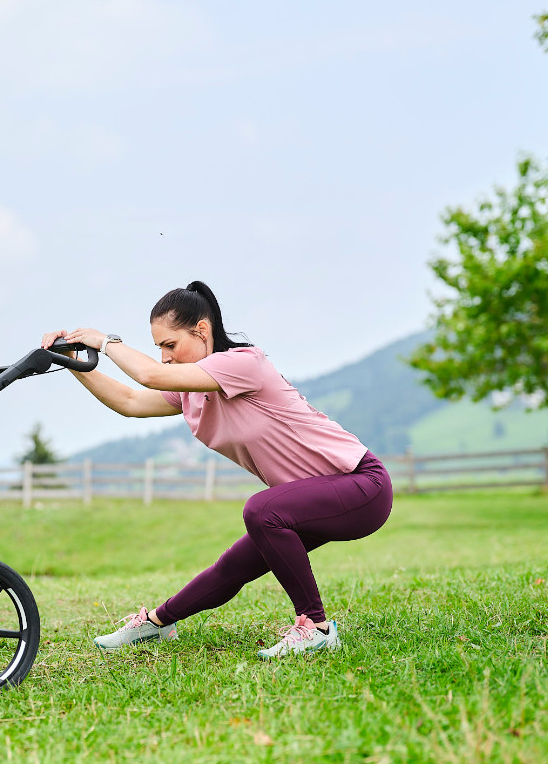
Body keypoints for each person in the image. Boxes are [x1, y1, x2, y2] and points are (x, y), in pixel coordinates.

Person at [41, 282, 392, 658]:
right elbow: (130, 400)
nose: (164, 357)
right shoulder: (192, 388)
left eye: (170, 345)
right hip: (308, 499)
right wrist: (74, 361)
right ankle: (157, 624)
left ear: (202, 331)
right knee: (233, 566)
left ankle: (317, 627)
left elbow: (149, 377)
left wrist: (105, 342)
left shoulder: (243, 364)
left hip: (361, 485)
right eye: (159, 348)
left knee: (261, 510)